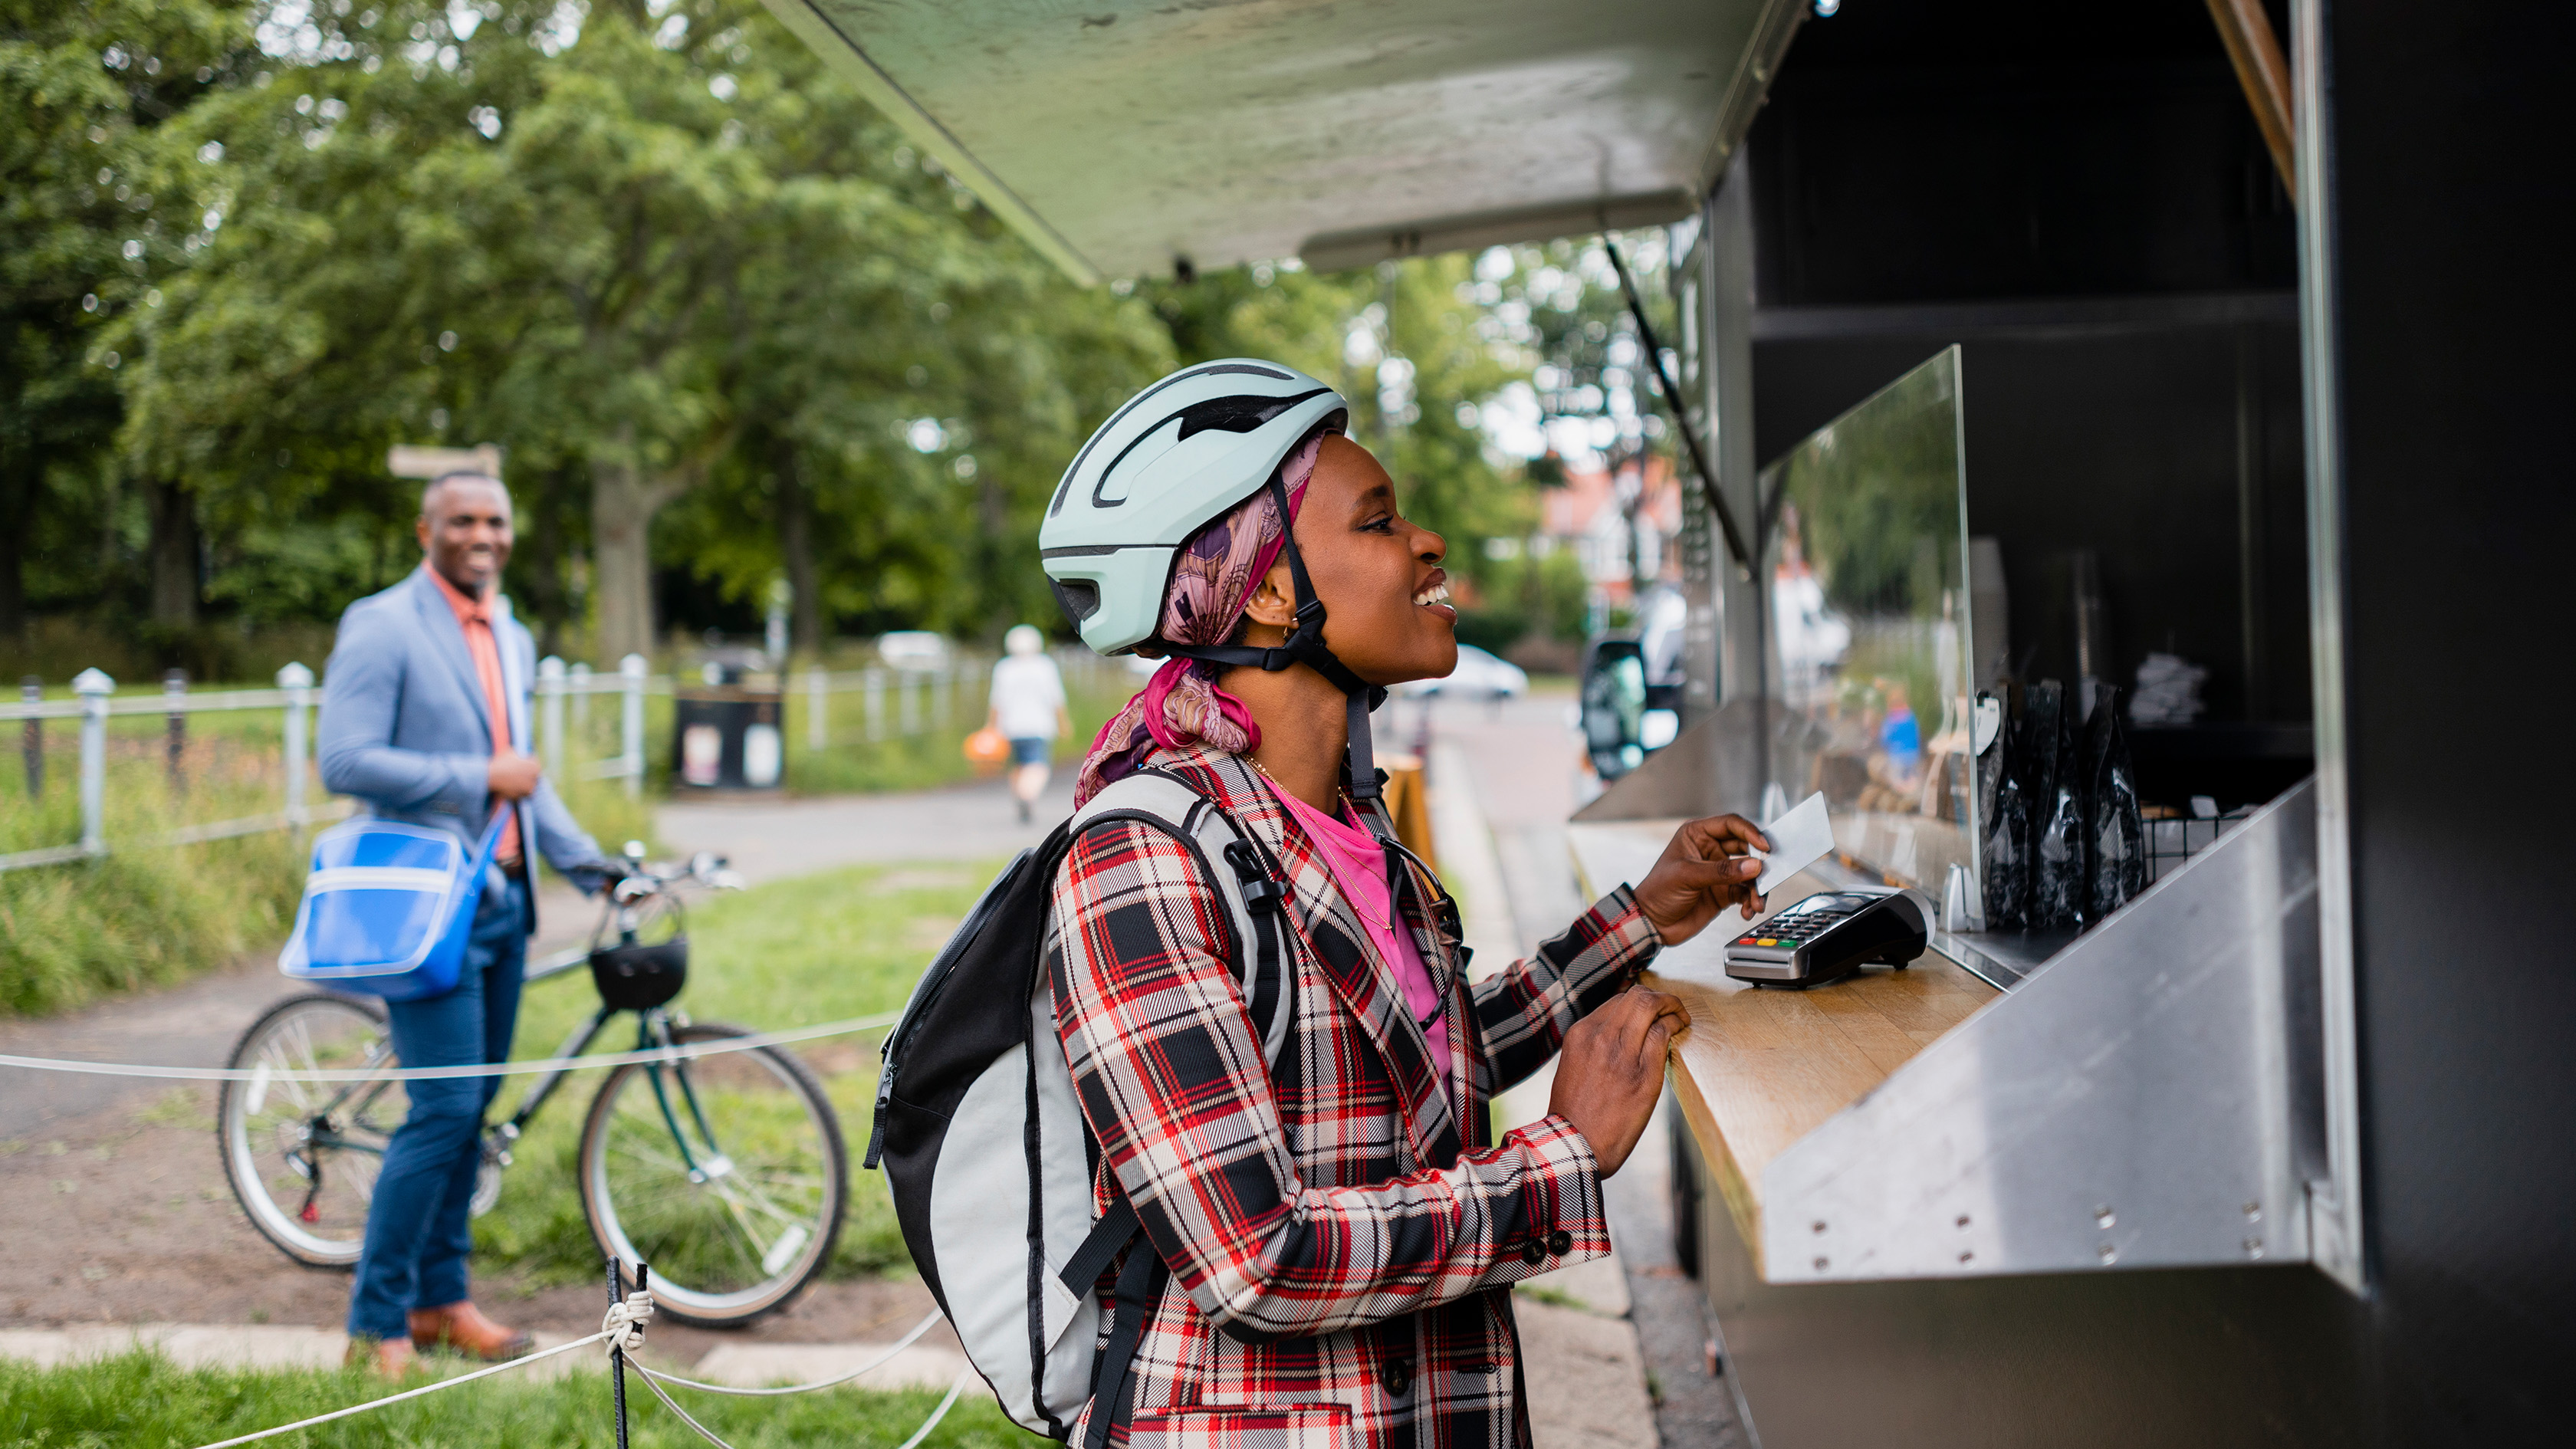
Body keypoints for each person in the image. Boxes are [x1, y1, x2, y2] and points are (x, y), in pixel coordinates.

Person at [1039, 362, 1770, 1449]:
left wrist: (1642, 920)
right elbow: (1258, 1259)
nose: (1427, 543)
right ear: (1273, 591)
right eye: (1379, 521)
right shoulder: (1143, 862)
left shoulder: (1340, 816)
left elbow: (1406, 1062)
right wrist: (1559, 1156)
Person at [316, 471, 619, 1377]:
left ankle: (443, 1302)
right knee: (443, 1106)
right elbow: (345, 758)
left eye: (495, 520)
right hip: (424, 906)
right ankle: (376, 1324)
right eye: (462, 521)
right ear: (426, 529)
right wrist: (475, 775)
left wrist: (594, 866)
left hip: (505, 908)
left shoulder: (513, 633)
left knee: (471, 1109)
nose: (480, 535)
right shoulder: (383, 623)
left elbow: (526, 775)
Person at [987, 623, 1071, 823]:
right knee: (1038, 766)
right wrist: (1063, 723)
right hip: (1038, 725)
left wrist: (991, 727)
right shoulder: (1044, 666)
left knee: (1018, 765)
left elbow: (996, 702)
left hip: (1010, 726)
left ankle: (1019, 796)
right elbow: (1055, 699)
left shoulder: (1004, 668)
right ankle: (1027, 797)